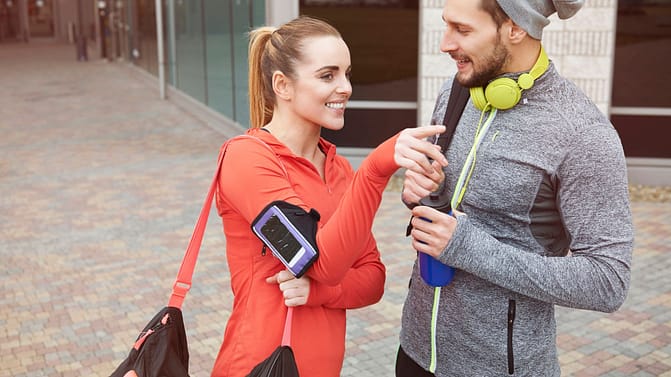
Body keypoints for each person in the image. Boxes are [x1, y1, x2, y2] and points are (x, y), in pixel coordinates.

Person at [397, 1, 634, 376]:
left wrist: (466, 247)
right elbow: (445, 206)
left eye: (462, 30)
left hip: (501, 367)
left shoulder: (582, 135)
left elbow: (607, 281)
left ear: (515, 28)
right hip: (415, 351)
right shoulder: (458, 90)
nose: (444, 44)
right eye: (446, 26)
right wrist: (426, 191)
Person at [210, 16, 448, 377]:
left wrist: (319, 293)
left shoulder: (337, 170)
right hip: (259, 365)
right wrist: (375, 169)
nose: (345, 87)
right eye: (327, 75)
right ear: (282, 85)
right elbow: (318, 263)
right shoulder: (246, 159)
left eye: (347, 73)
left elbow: (372, 279)